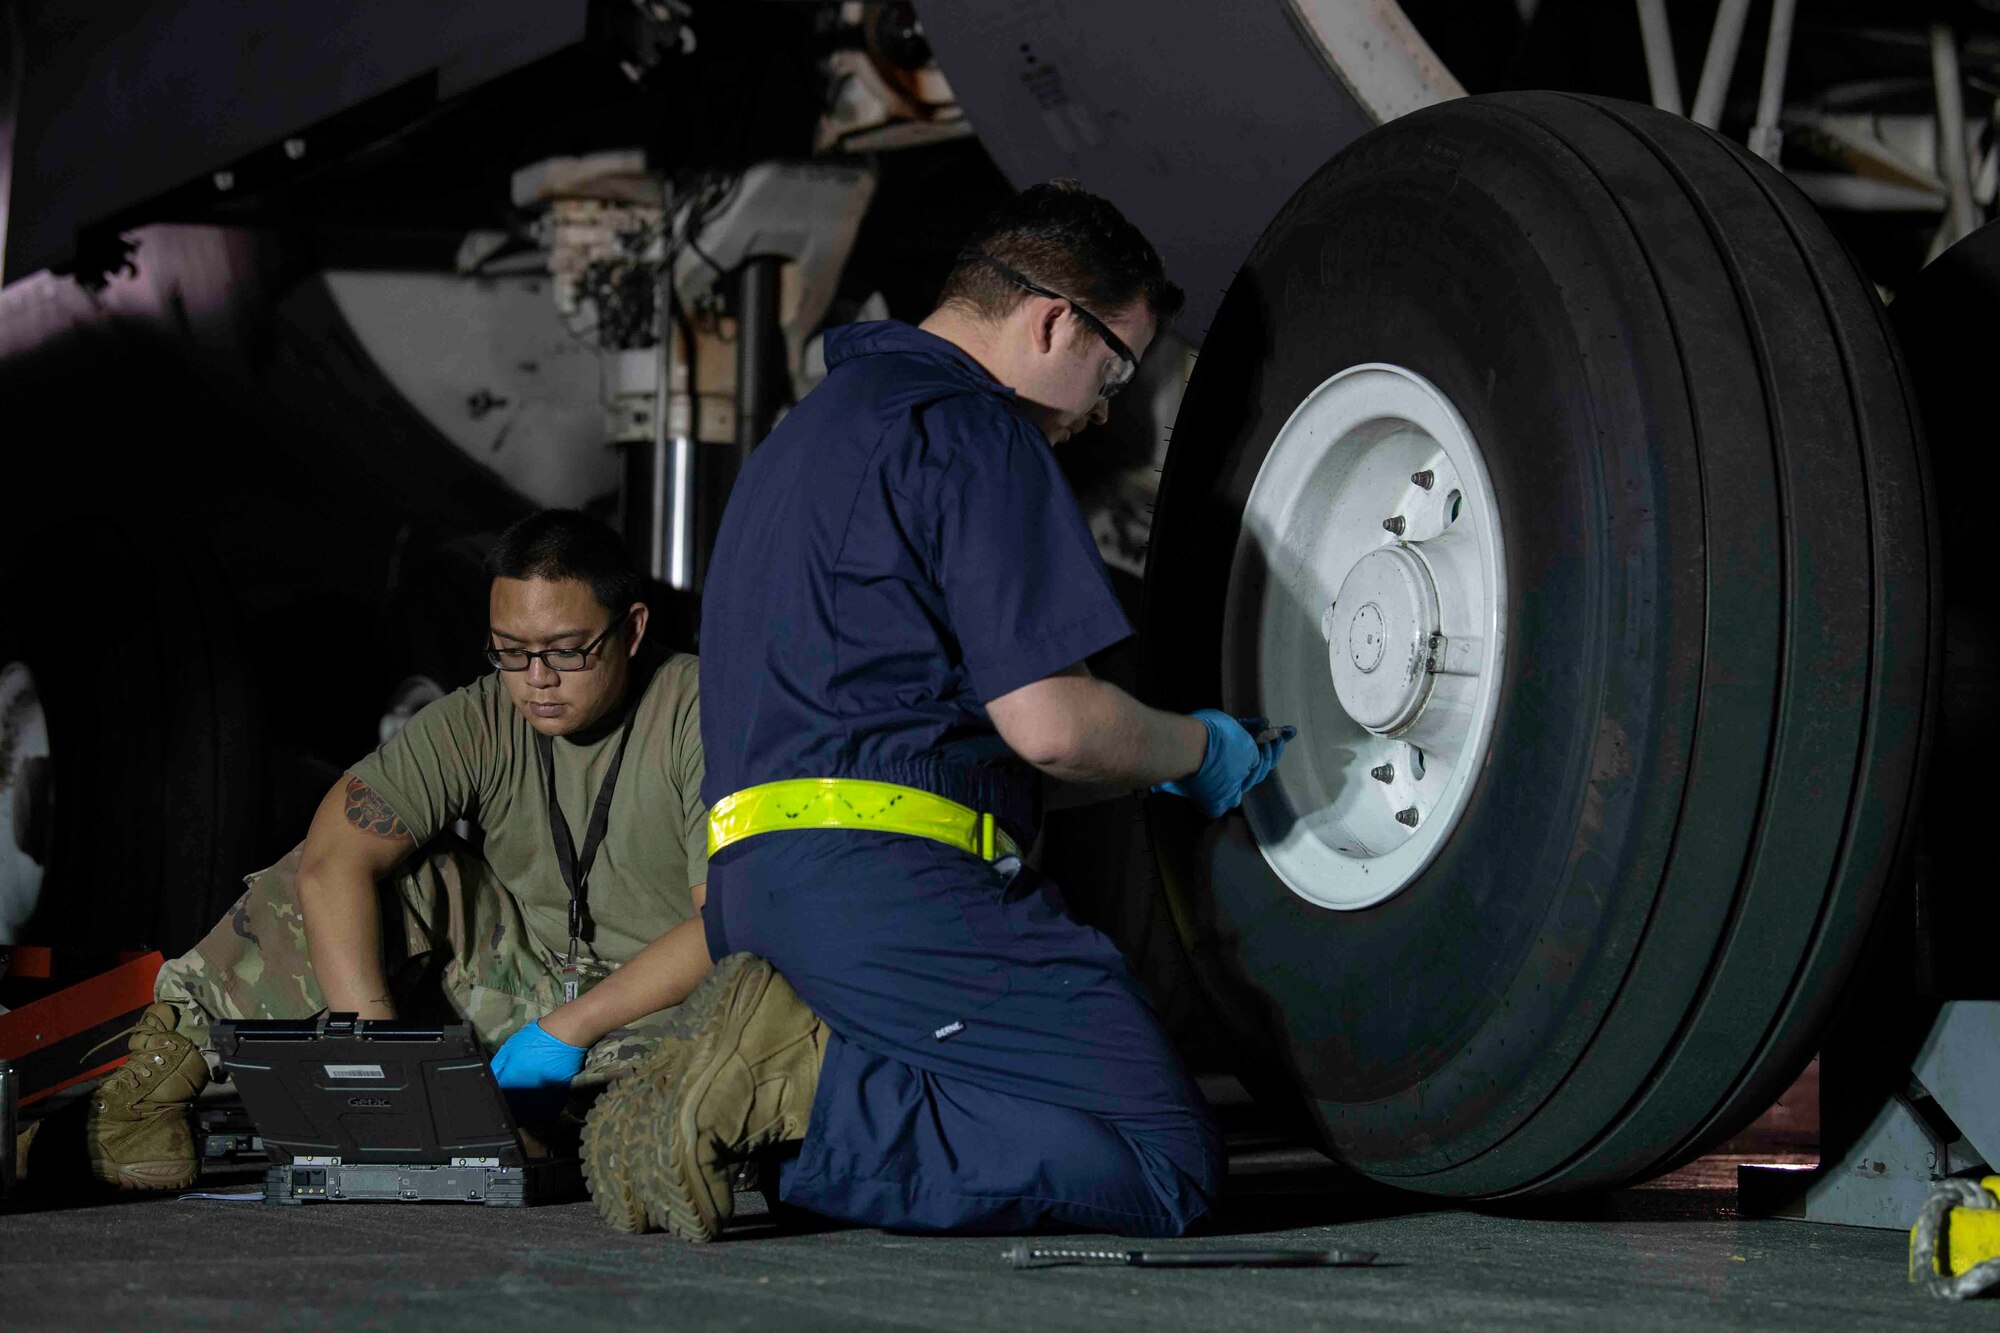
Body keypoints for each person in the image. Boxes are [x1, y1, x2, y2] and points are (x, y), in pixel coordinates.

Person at [603, 181, 1290, 1240]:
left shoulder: (801, 440)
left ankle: (768, 1093)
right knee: (1166, 1162)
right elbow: (1050, 723)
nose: (1102, 410)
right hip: (893, 886)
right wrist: (1200, 747)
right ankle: (792, 1100)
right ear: (1053, 321)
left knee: (1011, 1116)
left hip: (754, 887)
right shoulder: (973, 430)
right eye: (1111, 372)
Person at [89, 510, 714, 1197]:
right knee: (367, 866)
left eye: (567, 650)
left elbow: (728, 922)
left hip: (654, 1016)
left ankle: (556, 1124)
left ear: (632, 629)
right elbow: (333, 859)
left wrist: (571, 1026)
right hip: (518, 991)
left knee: (738, 1046)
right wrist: (378, 1068)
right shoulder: (487, 715)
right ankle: (159, 1073)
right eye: (510, 649)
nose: (536, 678)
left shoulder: (699, 710)